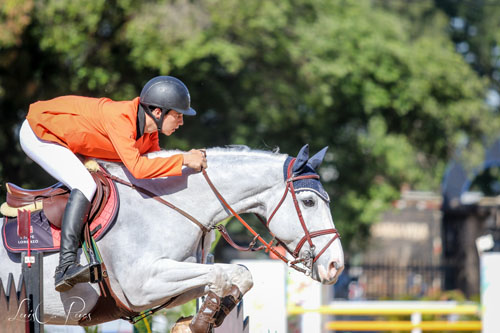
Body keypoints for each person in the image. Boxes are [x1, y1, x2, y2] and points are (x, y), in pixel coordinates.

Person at [19, 76, 207, 292]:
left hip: (65, 138)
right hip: (40, 133)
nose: (181, 122)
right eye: (178, 115)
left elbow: (155, 166)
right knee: (85, 184)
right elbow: (138, 168)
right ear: (158, 113)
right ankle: (65, 266)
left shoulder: (148, 133)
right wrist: (184, 158)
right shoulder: (121, 119)